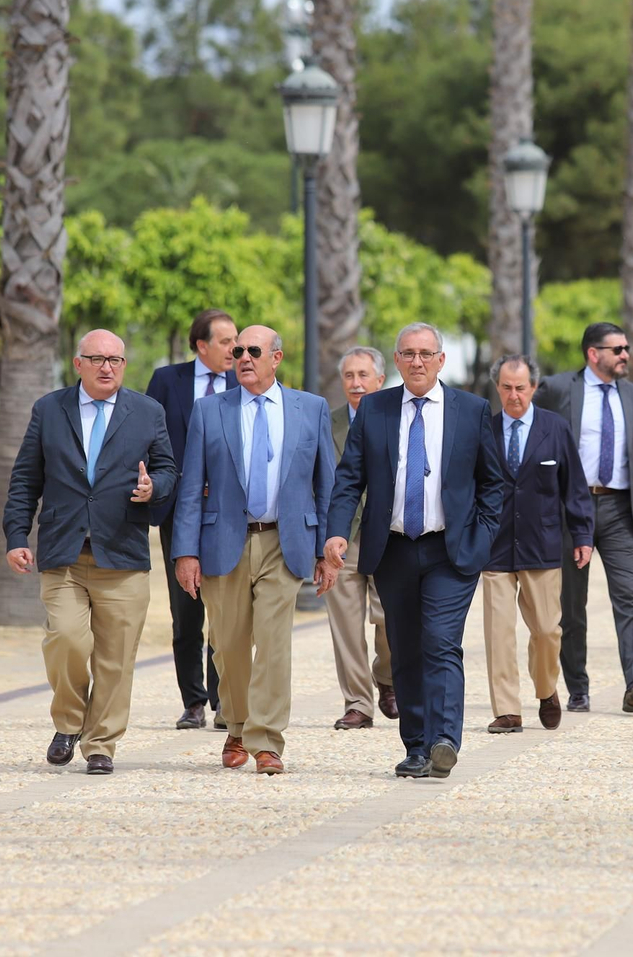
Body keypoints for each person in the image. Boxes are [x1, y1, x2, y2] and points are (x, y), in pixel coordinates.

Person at [322, 323, 506, 780]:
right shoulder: (377, 409)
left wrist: (481, 537)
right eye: (409, 354)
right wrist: (337, 532)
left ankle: (445, 739)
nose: (418, 361)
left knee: (441, 643)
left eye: (426, 353)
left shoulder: (471, 409)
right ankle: (418, 746)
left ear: (441, 360)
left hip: (451, 549)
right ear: (398, 361)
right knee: (404, 650)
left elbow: (493, 482)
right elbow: (349, 478)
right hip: (394, 549)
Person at [3, 330, 177, 775]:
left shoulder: (147, 411)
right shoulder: (49, 409)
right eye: (97, 359)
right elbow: (26, 479)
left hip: (122, 553)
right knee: (65, 639)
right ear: (77, 363)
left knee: (116, 658)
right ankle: (69, 720)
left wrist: (153, 487)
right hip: (64, 551)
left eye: (116, 360)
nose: (107, 367)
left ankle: (101, 744)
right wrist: (17, 536)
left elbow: (167, 469)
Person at [172, 325, 333, 775]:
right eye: (237, 349)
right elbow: (189, 488)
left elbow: (327, 484)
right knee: (228, 646)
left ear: (276, 358)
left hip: (286, 541)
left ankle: (266, 741)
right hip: (224, 542)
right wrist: (185, 553)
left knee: (275, 643)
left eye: (253, 350)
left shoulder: (311, 409)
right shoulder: (209, 411)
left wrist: (325, 549)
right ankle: (238, 725)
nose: (242, 356)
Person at [536, 322, 633, 715]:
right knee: (572, 604)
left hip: (621, 510)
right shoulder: (556, 389)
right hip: (572, 508)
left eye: (626, 347)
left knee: (629, 597)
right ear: (593, 353)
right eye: (617, 349)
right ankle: (578, 688)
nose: (625, 355)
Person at [482, 355, 594, 733]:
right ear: (497, 388)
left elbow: (575, 488)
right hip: (494, 547)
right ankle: (507, 710)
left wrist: (582, 535)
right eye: (507, 388)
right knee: (498, 634)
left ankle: (546, 690)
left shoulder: (555, 428)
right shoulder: (485, 429)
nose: (514, 396)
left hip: (542, 544)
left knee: (547, 630)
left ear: (534, 388)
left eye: (521, 388)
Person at [144, 309, 237, 730]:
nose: (236, 350)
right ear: (201, 346)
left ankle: (223, 699)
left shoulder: (243, 379)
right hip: (179, 511)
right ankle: (193, 701)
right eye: (226, 342)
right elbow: (147, 437)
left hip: (228, 513)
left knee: (225, 607)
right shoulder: (168, 381)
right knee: (186, 609)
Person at [325, 346, 397, 730]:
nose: (355, 383)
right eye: (349, 376)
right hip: (341, 540)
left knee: (389, 619)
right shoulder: (328, 423)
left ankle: (386, 677)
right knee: (346, 625)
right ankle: (358, 703)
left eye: (363, 375)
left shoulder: (397, 418)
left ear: (380, 380)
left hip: (388, 537)